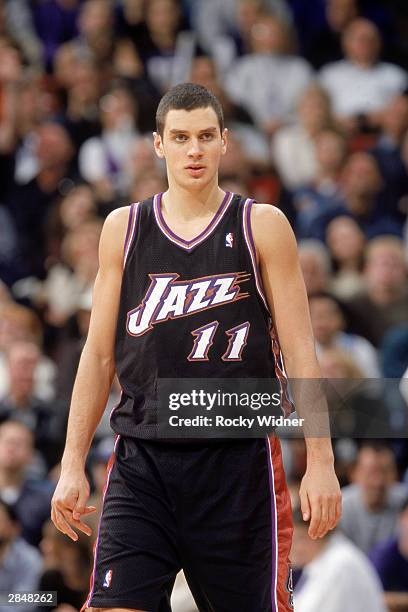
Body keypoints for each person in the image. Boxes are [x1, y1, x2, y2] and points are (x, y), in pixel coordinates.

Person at [51, 82, 341, 612]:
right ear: (158, 144)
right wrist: (72, 463)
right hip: (144, 461)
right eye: (181, 137)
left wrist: (320, 461)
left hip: (237, 465)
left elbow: (301, 353)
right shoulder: (124, 228)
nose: (194, 149)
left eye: (206, 136)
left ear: (225, 142)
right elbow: (97, 356)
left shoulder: (262, 226)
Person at [291, 507, 386, 612]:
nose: (293, 547)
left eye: (300, 538)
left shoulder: (340, 564)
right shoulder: (326, 559)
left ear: (320, 534)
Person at [340, 443, 407, 554]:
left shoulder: (404, 501)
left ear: (395, 474)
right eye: (371, 472)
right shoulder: (340, 506)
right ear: (354, 474)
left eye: (385, 472)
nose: (378, 481)